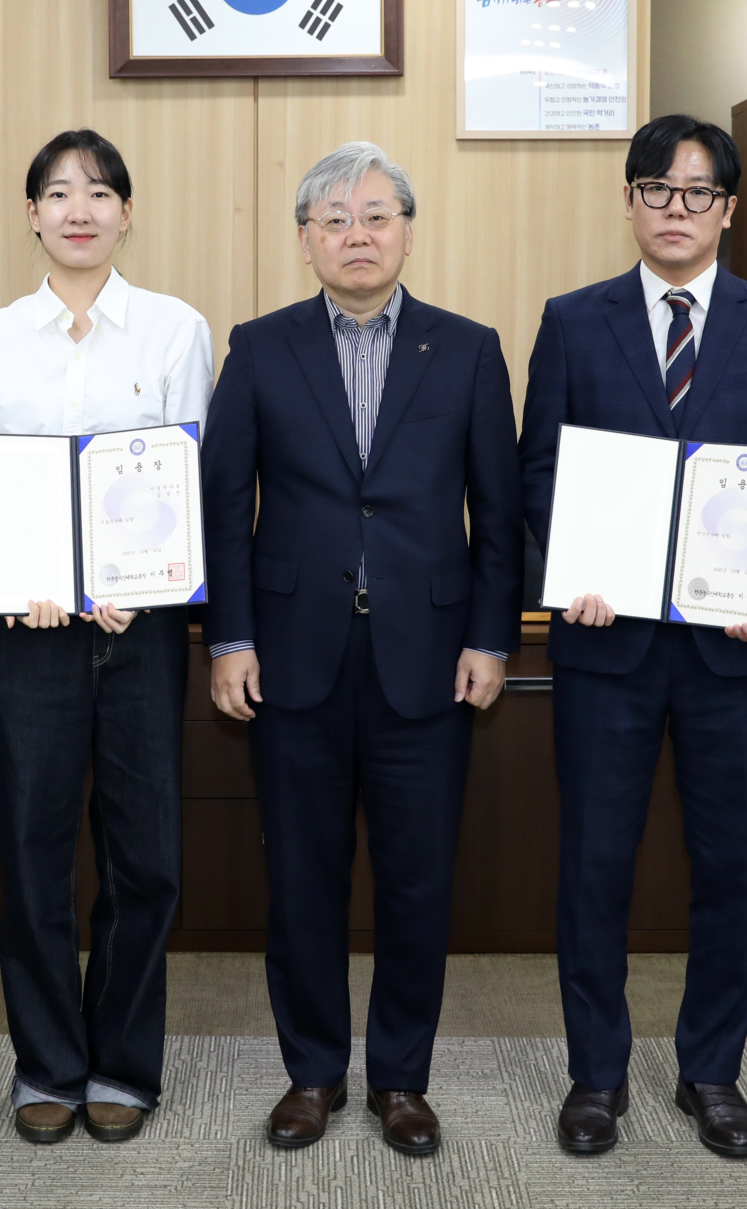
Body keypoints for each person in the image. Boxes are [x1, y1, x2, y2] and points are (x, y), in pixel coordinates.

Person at [518, 115, 747, 1159]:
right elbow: (538, 476)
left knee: (728, 868)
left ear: (729, 209)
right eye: (654, 189)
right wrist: (575, 571)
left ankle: (711, 1070)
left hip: (732, 651)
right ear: (628, 200)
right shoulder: (571, 321)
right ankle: (595, 1076)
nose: (673, 210)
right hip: (606, 649)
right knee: (592, 869)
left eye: (695, 193)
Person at [202, 141, 522, 1158]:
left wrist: (489, 638)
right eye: (333, 219)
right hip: (290, 657)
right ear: (304, 239)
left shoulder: (466, 349)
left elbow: (498, 511)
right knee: (300, 875)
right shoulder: (258, 347)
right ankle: (310, 1071)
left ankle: (400, 1079)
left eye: (375, 215)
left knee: (417, 877)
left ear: (407, 230)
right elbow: (222, 502)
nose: (356, 235)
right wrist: (230, 637)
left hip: (427, 660)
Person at [0, 129, 214, 1145]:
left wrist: (137, 585)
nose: (78, 209)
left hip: (140, 634)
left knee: (146, 860)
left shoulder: (175, 331)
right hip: (28, 634)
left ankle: (124, 1063)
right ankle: (47, 1064)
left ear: (126, 213)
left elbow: (193, 477)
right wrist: (37, 580)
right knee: (32, 853)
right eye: (57, 193)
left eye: (98, 192)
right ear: (31, 215)